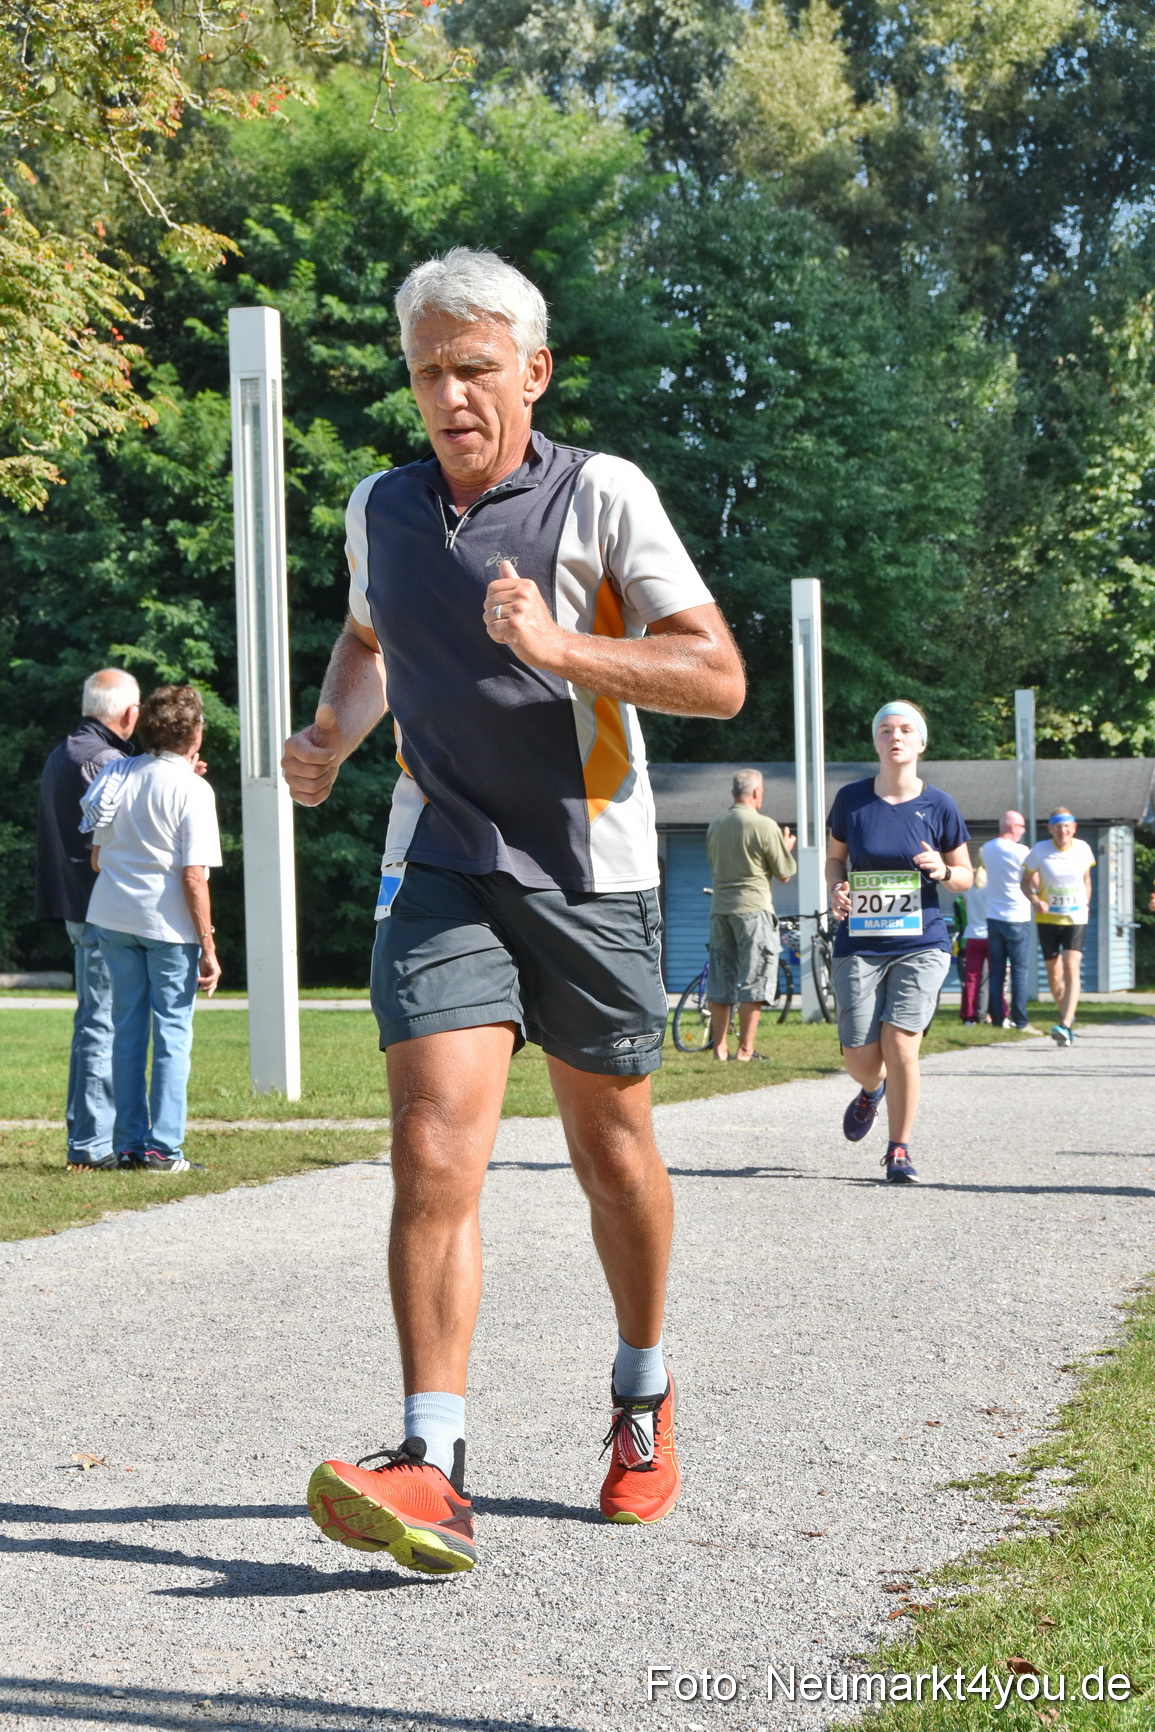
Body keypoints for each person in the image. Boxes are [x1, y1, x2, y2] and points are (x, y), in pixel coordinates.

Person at [282, 246, 745, 1576]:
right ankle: (433, 1464)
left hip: (590, 868)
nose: (449, 395)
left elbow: (711, 675)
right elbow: (371, 640)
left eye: (473, 368)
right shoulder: (381, 506)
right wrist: (330, 733)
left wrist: (559, 649)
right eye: (427, 372)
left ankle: (642, 1394)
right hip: (442, 860)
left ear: (531, 373)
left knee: (612, 1157)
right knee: (433, 1147)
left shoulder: (601, 496)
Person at [827, 701, 973, 1183]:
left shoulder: (940, 805)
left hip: (922, 940)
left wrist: (944, 870)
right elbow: (835, 861)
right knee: (861, 1059)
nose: (896, 737)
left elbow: (966, 877)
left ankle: (898, 1151)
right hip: (861, 942)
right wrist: (836, 890)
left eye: (906, 730)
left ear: (921, 743)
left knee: (901, 1043)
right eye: (886, 730)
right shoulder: (851, 800)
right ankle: (872, 1091)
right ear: (875, 742)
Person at [88, 686, 222, 1171]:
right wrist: (208, 944)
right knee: (171, 1035)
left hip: (111, 916)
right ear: (195, 732)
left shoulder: (117, 774)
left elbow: (98, 857)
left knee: (126, 1031)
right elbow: (193, 876)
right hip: (167, 925)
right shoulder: (193, 789)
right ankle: (163, 1149)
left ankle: (127, 1144)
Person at [34, 670, 141, 1171]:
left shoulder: (65, 751)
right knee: (101, 1025)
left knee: (92, 1022)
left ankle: (89, 1136)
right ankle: (92, 1143)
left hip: (77, 906)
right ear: (128, 713)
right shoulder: (105, 760)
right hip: (102, 910)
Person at [705, 769, 796, 1062]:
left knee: (721, 978)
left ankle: (719, 1048)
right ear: (756, 792)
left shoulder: (716, 825)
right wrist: (786, 848)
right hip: (753, 909)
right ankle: (745, 1050)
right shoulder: (764, 825)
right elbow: (784, 873)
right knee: (754, 978)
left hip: (720, 909)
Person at [1021, 807, 1095, 1047]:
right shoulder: (1039, 851)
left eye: (1068, 826)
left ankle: (1065, 1024)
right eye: (1058, 826)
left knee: (1071, 966)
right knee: (1054, 976)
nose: (1063, 831)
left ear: (1073, 828)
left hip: (1076, 918)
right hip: (1048, 919)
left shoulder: (1083, 848)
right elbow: (1023, 883)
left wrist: (1086, 903)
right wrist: (1035, 900)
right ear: (1051, 828)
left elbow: (1086, 879)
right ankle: (1067, 1019)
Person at [981, 809, 1033, 1031]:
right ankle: (1021, 1021)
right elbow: (1034, 881)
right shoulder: (1021, 851)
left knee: (997, 971)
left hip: (994, 915)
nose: (1023, 831)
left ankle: (998, 1018)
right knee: (1019, 971)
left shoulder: (987, 849)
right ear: (1013, 827)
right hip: (1018, 916)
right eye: (1021, 826)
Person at [958, 863, 1006, 1025]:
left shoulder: (969, 885)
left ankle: (969, 1016)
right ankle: (1001, 1013)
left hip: (973, 936)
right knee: (997, 976)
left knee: (971, 978)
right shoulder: (995, 884)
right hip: (992, 936)